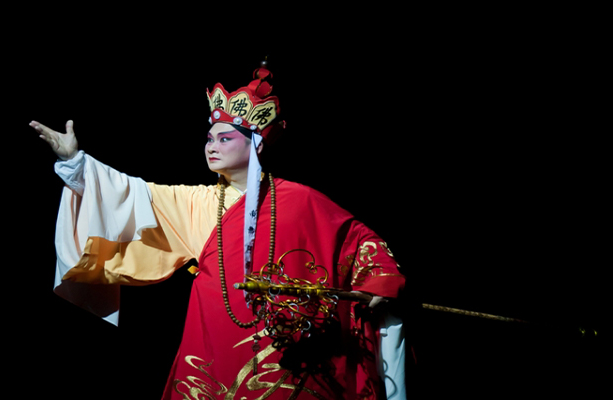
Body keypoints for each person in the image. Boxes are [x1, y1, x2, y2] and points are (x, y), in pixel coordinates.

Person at [32, 63, 407, 399]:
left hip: (287, 345)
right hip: (215, 336)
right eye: (210, 138)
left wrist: (379, 283)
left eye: (224, 138)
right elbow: (128, 196)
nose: (211, 146)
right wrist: (75, 163)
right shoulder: (197, 201)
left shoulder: (301, 199)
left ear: (255, 143)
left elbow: (359, 240)